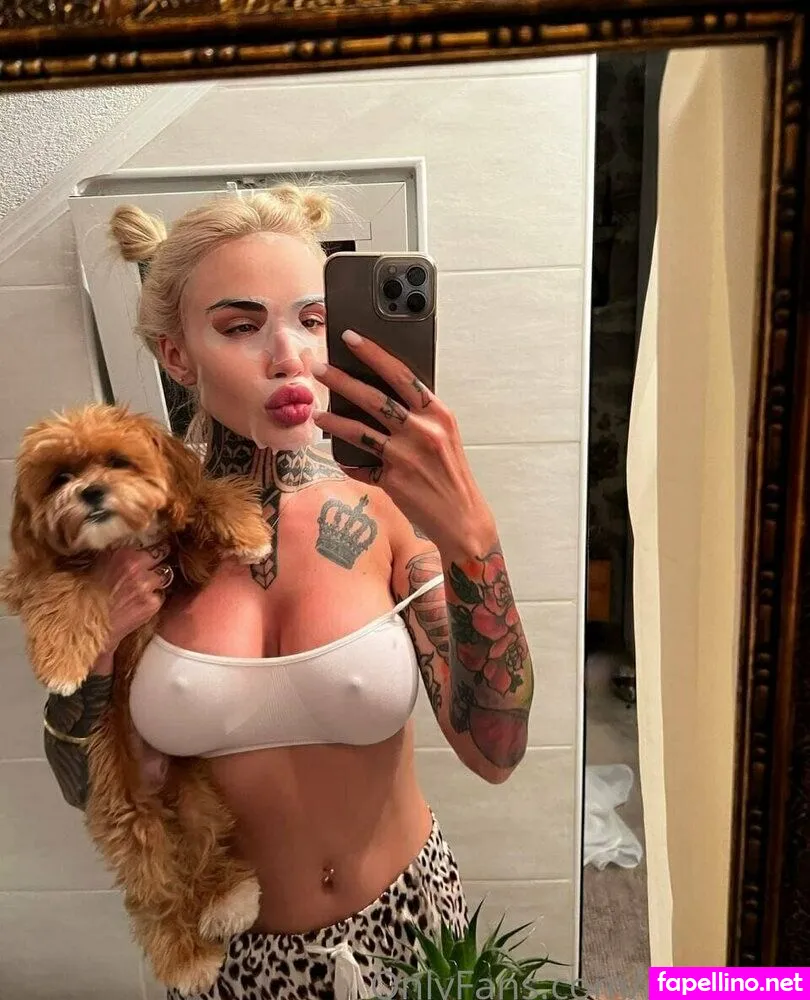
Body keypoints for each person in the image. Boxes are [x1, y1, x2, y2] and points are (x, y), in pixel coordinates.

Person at [40, 185, 535, 1000]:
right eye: (241, 327)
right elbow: (88, 790)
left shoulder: (389, 510)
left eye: (311, 320)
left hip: (412, 928)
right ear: (176, 356)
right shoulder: (133, 541)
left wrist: (473, 538)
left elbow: (496, 752)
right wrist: (96, 649)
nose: (289, 356)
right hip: (228, 960)